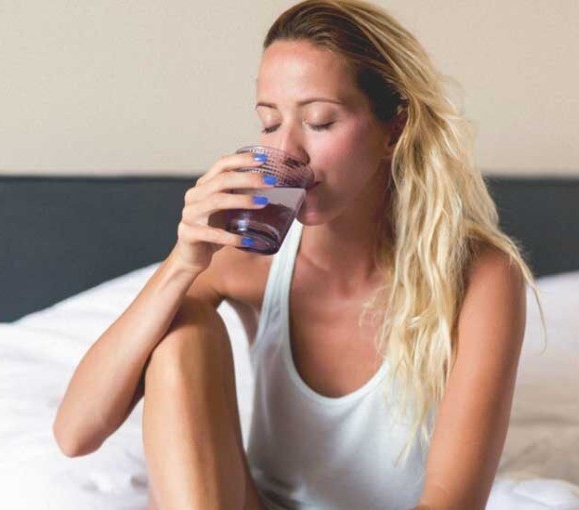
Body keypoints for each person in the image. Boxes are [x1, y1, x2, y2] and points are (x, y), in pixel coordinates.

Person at [53, 0, 547, 509]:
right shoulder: (249, 260)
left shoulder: (479, 277)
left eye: (319, 121)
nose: (286, 151)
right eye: (269, 124)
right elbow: (75, 434)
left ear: (394, 130)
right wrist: (183, 261)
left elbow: (449, 503)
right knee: (183, 332)